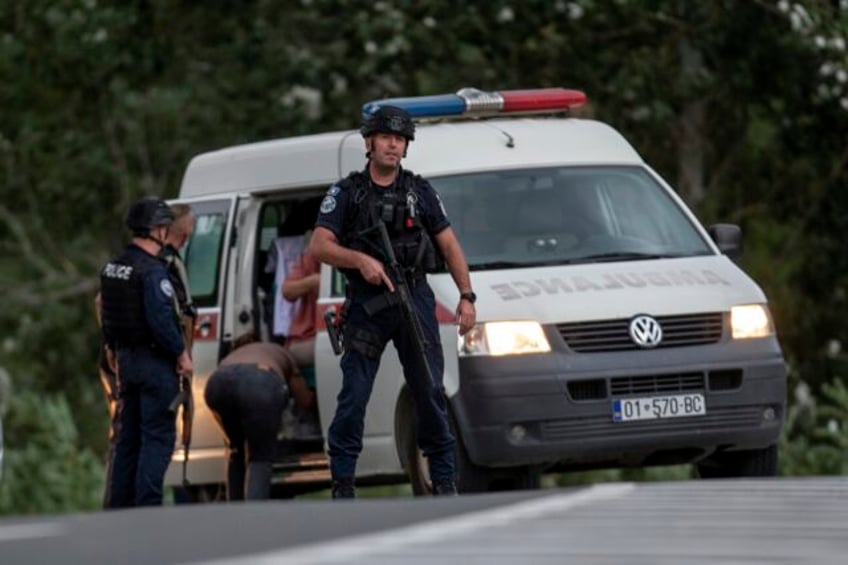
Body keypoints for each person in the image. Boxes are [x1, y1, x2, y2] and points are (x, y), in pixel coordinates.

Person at [309, 105, 477, 498]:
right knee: (353, 397)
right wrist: (360, 260)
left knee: (431, 392)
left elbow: (449, 244)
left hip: (413, 297)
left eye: (399, 139)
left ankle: (445, 481)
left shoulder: (420, 192)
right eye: (385, 137)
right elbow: (320, 245)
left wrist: (467, 297)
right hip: (368, 305)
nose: (392, 145)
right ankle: (343, 486)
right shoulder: (346, 192)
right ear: (369, 143)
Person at [99, 197, 193, 508]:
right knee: (157, 438)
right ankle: (147, 509)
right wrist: (181, 354)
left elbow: (108, 313)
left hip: (126, 362)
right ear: (158, 231)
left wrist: (111, 347)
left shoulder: (113, 267)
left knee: (128, 441)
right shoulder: (153, 272)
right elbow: (162, 321)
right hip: (155, 365)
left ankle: (120, 509)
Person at [203, 336, 312, 500]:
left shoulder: (234, 355)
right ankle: (254, 513)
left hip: (217, 383)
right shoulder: (282, 352)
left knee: (236, 450)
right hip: (260, 383)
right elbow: (305, 399)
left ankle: (235, 511)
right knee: (260, 456)